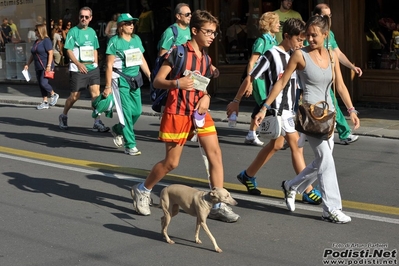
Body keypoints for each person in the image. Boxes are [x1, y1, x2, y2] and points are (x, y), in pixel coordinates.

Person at [131, 10, 239, 223]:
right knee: (172, 163)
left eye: (214, 33)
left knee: (215, 155)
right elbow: (157, 80)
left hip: (199, 112)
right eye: (208, 32)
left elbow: (202, 85)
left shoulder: (206, 58)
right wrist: (176, 83)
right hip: (178, 112)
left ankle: (217, 204)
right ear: (194, 31)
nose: (211, 36)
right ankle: (143, 189)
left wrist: (206, 97)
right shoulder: (178, 52)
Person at [256, 15, 360, 223]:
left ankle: (292, 185)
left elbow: (340, 86)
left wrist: (351, 110)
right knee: (327, 162)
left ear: (325, 35)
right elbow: (281, 83)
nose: (310, 39)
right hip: (310, 117)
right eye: (307, 35)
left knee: (323, 159)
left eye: (314, 35)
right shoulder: (299, 55)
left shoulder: (331, 56)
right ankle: (331, 208)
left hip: (328, 116)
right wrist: (264, 107)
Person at [227, 18, 322, 205]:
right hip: (277, 110)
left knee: (276, 145)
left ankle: (247, 175)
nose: (301, 44)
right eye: (298, 40)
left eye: (303, 40)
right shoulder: (271, 54)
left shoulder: (297, 54)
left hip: (291, 109)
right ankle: (306, 189)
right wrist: (236, 100)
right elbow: (251, 77)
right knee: (296, 146)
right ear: (286, 36)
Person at [103, 13, 151, 156]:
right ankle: (130, 145)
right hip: (120, 80)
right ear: (120, 27)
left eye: (132, 23)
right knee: (126, 113)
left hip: (135, 79)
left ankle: (118, 129)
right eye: (128, 23)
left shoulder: (136, 39)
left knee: (137, 111)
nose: (131, 25)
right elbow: (109, 65)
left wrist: (150, 75)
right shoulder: (114, 41)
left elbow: (141, 59)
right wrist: (108, 86)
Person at [312, 3, 360, 145]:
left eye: (330, 16)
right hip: (311, 81)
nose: (328, 19)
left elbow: (338, 53)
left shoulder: (330, 34)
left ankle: (343, 133)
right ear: (316, 16)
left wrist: (352, 66)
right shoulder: (309, 34)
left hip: (327, 79)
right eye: (324, 16)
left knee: (333, 106)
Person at [230, 12, 279, 147]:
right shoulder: (261, 41)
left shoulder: (273, 40)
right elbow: (252, 62)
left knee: (263, 105)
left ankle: (252, 134)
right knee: (263, 104)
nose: (279, 25)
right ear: (269, 24)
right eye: (276, 22)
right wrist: (249, 82)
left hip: (268, 79)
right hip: (259, 79)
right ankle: (253, 133)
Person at [58, 6, 109, 132]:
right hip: (78, 69)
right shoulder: (73, 31)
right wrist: (78, 64)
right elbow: (68, 50)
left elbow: (95, 49)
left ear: (90, 18)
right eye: (81, 16)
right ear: (78, 17)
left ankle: (97, 121)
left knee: (96, 95)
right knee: (75, 96)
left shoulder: (92, 31)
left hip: (92, 68)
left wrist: (96, 63)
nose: (84, 19)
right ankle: (63, 115)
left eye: (86, 17)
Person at [24, 24, 59, 110]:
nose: (35, 31)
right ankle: (45, 102)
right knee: (41, 85)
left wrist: (48, 65)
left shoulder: (46, 40)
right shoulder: (36, 42)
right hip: (38, 66)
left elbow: (50, 53)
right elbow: (33, 54)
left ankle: (54, 94)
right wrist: (27, 64)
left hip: (45, 66)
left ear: (40, 30)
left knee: (44, 83)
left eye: (36, 30)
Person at [136, 0, 155, 69]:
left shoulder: (150, 12)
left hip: (147, 33)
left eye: (145, 3)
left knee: (149, 52)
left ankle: (153, 67)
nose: (143, 5)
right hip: (140, 33)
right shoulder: (141, 13)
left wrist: (152, 34)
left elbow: (152, 23)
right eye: (142, 4)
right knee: (141, 51)